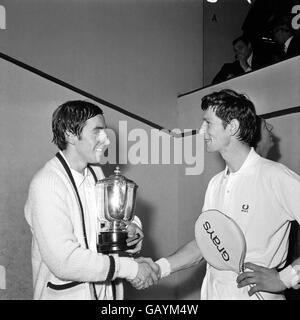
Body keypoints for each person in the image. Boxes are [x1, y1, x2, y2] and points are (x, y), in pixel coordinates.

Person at [133, 89, 300, 299]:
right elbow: (206, 245)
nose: (202, 131)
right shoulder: (215, 183)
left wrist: (285, 278)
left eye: (208, 123)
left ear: (232, 127)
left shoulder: (276, 177)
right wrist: (158, 269)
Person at [24, 100, 159, 300]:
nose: (106, 140)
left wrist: (131, 230)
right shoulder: (47, 183)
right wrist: (131, 269)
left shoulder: (96, 174)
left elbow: (109, 222)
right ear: (70, 133)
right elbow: (64, 261)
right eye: (97, 131)